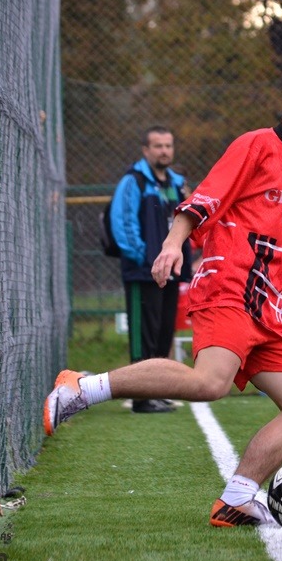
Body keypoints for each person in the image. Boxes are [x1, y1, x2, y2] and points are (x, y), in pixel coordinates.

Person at [44, 61, 282, 527]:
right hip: (231, 290)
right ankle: (81, 388)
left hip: (273, 314)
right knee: (211, 382)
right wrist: (172, 244)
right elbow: (201, 202)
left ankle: (237, 499)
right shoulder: (256, 145)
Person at [109, 126, 194, 414]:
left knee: (163, 333)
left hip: (170, 273)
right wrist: (146, 260)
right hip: (143, 273)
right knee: (143, 335)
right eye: (158, 146)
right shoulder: (133, 182)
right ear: (146, 150)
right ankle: (141, 397)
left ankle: (157, 391)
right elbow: (123, 225)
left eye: (168, 145)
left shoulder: (177, 184)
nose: (164, 151)